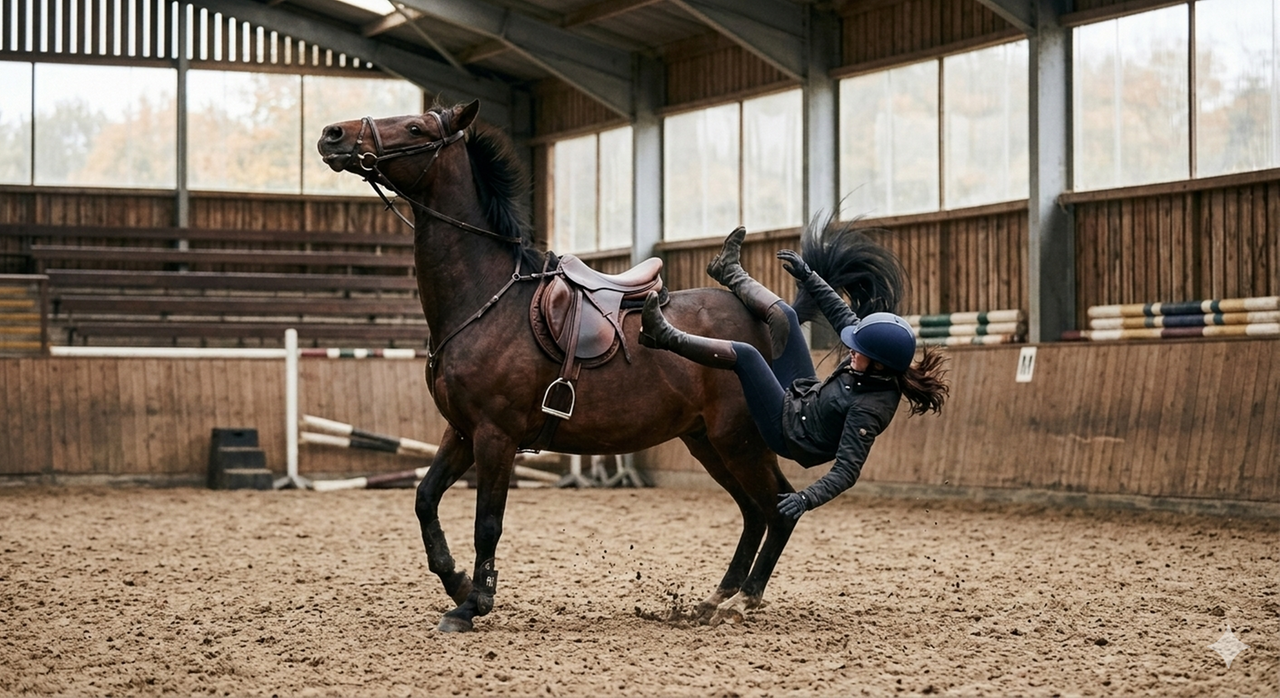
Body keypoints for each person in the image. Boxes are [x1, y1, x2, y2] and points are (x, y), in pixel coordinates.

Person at [639, 223, 949, 520]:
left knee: (746, 355)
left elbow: (847, 471)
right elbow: (839, 311)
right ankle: (729, 271)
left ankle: (664, 336)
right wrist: (809, 276)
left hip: (789, 433)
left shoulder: (870, 410)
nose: (852, 351)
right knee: (784, 314)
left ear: (879, 364)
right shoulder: (875, 360)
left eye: (860, 352)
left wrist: (806, 498)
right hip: (803, 394)